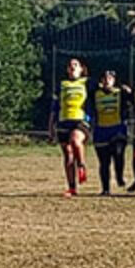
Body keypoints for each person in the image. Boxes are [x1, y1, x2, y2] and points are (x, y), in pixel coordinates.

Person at [49, 58, 91, 198]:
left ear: (81, 68)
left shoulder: (87, 83)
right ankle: (72, 188)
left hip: (80, 120)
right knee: (68, 156)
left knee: (75, 141)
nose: (72, 67)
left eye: (75, 65)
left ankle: (82, 166)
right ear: (67, 70)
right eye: (70, 65)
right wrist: (51, 127)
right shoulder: (62, 85)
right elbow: (54, 108)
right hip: (63, 121)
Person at [92, 70, 130, 195]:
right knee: (104, 162)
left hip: (117, 129)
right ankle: (105, 189)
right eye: (105, 78)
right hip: (101, 130)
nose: (107, 80)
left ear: (114, 80)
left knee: (118, 154)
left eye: (110, 78)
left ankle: (119, 176)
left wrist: (129, 92)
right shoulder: (94, 94)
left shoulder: (121, 93)